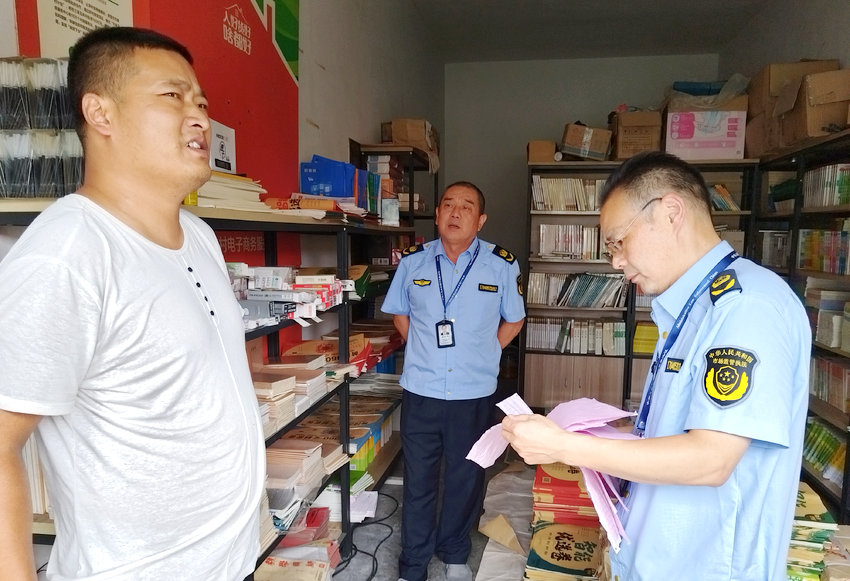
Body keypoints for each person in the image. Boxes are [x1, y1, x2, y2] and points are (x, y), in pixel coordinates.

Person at [0, 27, 264, 581]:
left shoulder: (199, 236)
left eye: (201, 103)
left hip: (228, 564)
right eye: (173, 97)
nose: (199, 118)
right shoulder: (68, 254)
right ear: (100, 113)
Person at [502, 151, 810, 581]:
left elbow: (711, 459)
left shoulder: (746, 307)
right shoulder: (692, 306)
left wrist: (563, 447)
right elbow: (682, 424)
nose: (615, 261)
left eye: (618, 241)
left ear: (670, 213)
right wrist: (619, 429)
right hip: (660, 556)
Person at [382, 182, 525, 581]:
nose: (455, 212)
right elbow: (399, 313)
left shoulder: (501, 264)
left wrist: (486, 352)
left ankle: (455, 553)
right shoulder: (413, 262)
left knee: (466, 477)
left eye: (466, 207)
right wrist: (423, 347)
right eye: (448, 205)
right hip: (422, 391)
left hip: (473, 394)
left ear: (480, 220)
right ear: (438, 214)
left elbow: (514, 319)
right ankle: (413, 565)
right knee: (419, 481)